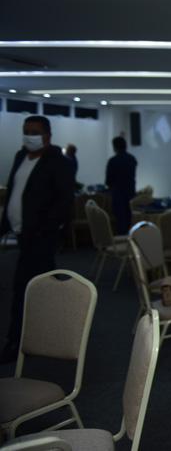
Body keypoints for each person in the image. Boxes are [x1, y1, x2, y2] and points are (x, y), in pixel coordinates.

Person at [0, 116, 74, 362]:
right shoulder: (21, 157)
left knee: (24, 288)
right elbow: (15, 192)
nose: (29, 136)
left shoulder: (58, 162)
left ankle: (16, 342)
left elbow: (64, 201)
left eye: (34, 132)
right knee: (43, 287)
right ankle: (51, 334)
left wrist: (46, 229)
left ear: (47, 136)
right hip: (22, 234)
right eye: (26, 131)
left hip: (41, 237)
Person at [105, 136, 137, 235]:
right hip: (130, 194)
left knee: (120, 222)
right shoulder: (132, 159)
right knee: (129, 220)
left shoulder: (112, 161)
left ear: (115, 147)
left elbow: (108, 181)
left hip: (118, 195)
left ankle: (121, 242)